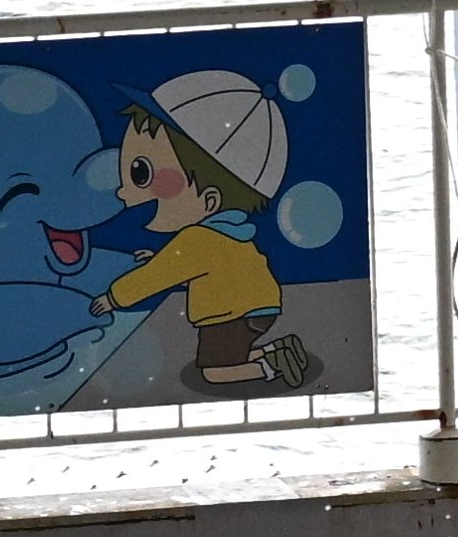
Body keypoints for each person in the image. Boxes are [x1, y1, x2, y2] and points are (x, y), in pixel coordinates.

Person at [103, 71, 324, 393]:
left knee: (213, 372)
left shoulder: (198, 240)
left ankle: (271, 367)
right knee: (234, 352)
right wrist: (162, 259)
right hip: (258, 308)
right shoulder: (226, 235)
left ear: (209, 201)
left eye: (142, 174)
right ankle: (277, 349)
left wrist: (113, 297)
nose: (124, 192)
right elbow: (203, 269)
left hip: (232, 315)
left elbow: (155, 277)